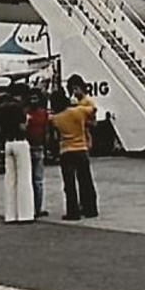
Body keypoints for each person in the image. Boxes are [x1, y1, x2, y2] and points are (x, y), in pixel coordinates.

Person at [50, 87, 99, 220]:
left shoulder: (56, 118)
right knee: (86, 181)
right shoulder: (78, 111)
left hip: (66, 150)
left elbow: (54, 134)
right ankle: (90, 209)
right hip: (81, 149)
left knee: (69, 184)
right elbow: (93, 109)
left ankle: (73, 211)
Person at [0, 86, 33, 223]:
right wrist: (28, 120)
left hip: (7, 143)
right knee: (24, 179)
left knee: (10, 180)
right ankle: (25, 214)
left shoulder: (1, 108)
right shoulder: (18, 108)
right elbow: (22, 127)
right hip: (20, 142)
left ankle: (10, 215)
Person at [25, 89, 50, 216]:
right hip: (37, 147)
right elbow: (46, 131)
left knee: (31, 179)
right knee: (38, 180)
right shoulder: (43, 113)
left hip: (30, 147)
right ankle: (37, 208)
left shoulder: (26, 113)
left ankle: (31, 207)